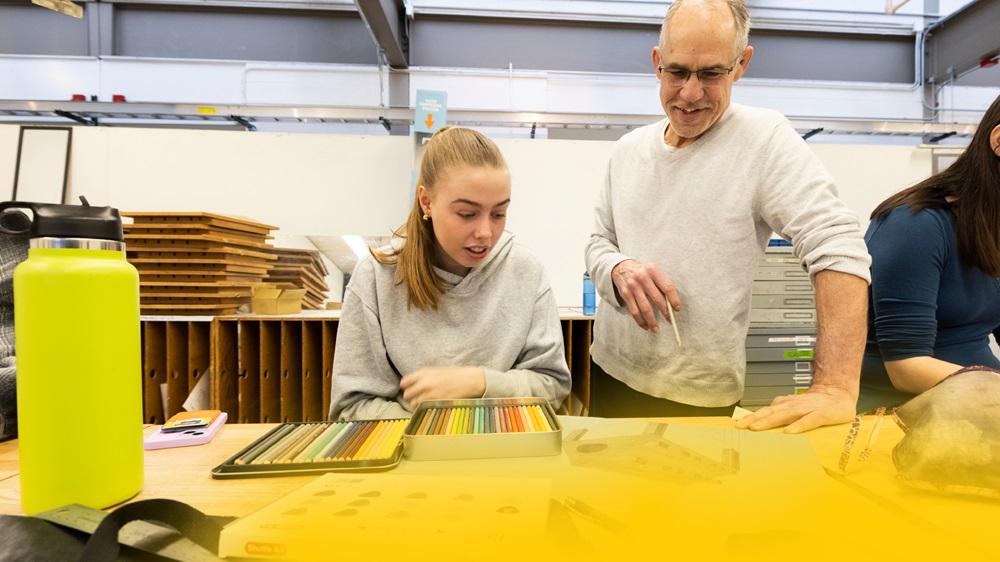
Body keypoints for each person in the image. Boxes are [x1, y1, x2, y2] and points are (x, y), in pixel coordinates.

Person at [584, 0, 872, 432]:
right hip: (609, 372)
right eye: (678, 71)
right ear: (657, 63)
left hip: (699, 398)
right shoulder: (628, 150)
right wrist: (617, 269)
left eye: (711, 74)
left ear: (741, 65)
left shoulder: (763, 140)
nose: (690, 94)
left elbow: (839, 244)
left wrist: (835, 386)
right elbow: (598, 243)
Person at [329, 127, 571, 420]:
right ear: (426, 202)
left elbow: (553, 384)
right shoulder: (376, 276)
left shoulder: (525, 270)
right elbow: (352, 406)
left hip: (503, 449)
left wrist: (479, 382)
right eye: (467, 214)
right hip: (412, 453)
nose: (485, 233)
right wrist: (436, 430)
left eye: (498, 214)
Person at [859, 94, 1000, 411]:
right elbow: (906, 369)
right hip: (903, 415)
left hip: (979, 406)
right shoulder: (916, 224)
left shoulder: (992, 224)